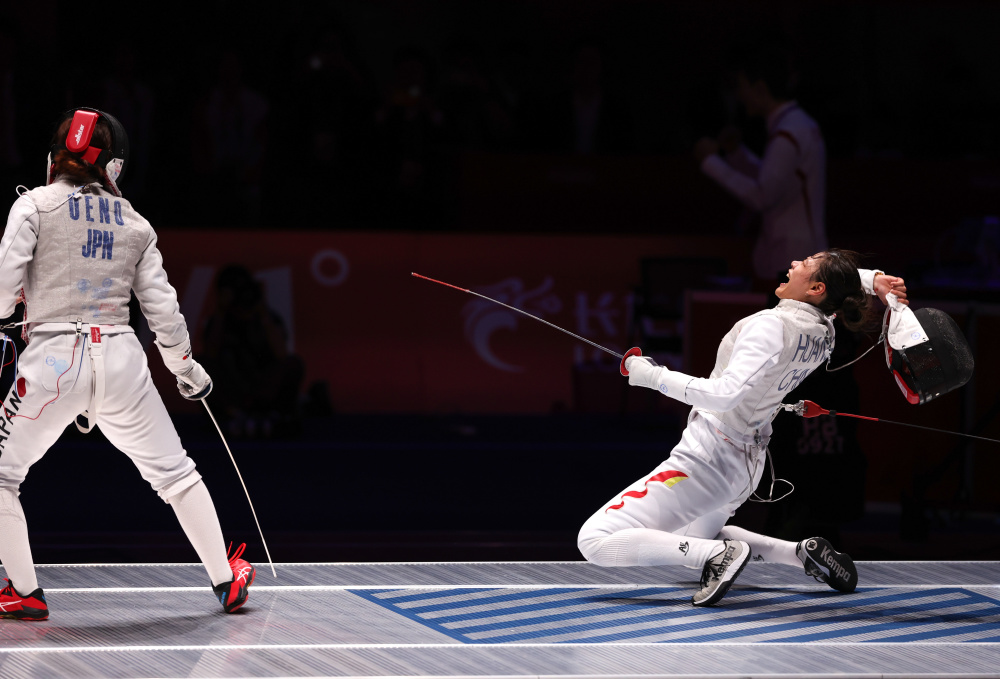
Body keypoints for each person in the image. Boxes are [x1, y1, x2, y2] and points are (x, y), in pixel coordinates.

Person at [0, 108, 254, 621]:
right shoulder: (135, 222)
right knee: (177, 475)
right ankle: (226, 581)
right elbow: (162, 308)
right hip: (122, 363)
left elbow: (4, 283)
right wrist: (186, 370)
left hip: (51, 363)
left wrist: (6, 325)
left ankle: (24, 592)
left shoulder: (33, 206)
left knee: (2, 477)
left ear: (56, 157)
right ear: (114, 167)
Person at [578, 250, 907, 606]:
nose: (793, 263)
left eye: (806, 263)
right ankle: (798, 554)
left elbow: (725, 395)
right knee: (693, 536)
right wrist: (871, 279)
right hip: (745, 466)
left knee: (595, 539)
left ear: (815, 287)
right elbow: (834, 283)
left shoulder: (770, 326)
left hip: (708, 458)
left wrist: (652, 376)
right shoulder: (823, 330)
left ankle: (716, 557)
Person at [694, 41, 826, 285]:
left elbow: (762, 196)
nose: (739, 95)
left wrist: (711, 162)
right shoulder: (799, 124)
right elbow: (778, 181)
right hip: (798, 255)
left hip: (792, 261)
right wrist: (737, 155)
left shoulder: (788, 132)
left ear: (760, 88)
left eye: (742, 86)